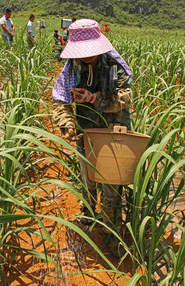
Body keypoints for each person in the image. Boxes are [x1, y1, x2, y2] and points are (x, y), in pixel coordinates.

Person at [52, 19, 133, 255]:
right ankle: (88, 210)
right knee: (88, 176)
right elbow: (60, 102)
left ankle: (111, 234)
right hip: (85, 130)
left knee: (111, 185)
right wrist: (67, 124)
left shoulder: (114, 66)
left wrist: (93, 98)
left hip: (113, 131)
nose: (86, 56)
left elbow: (126, 98)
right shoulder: (72, 68)